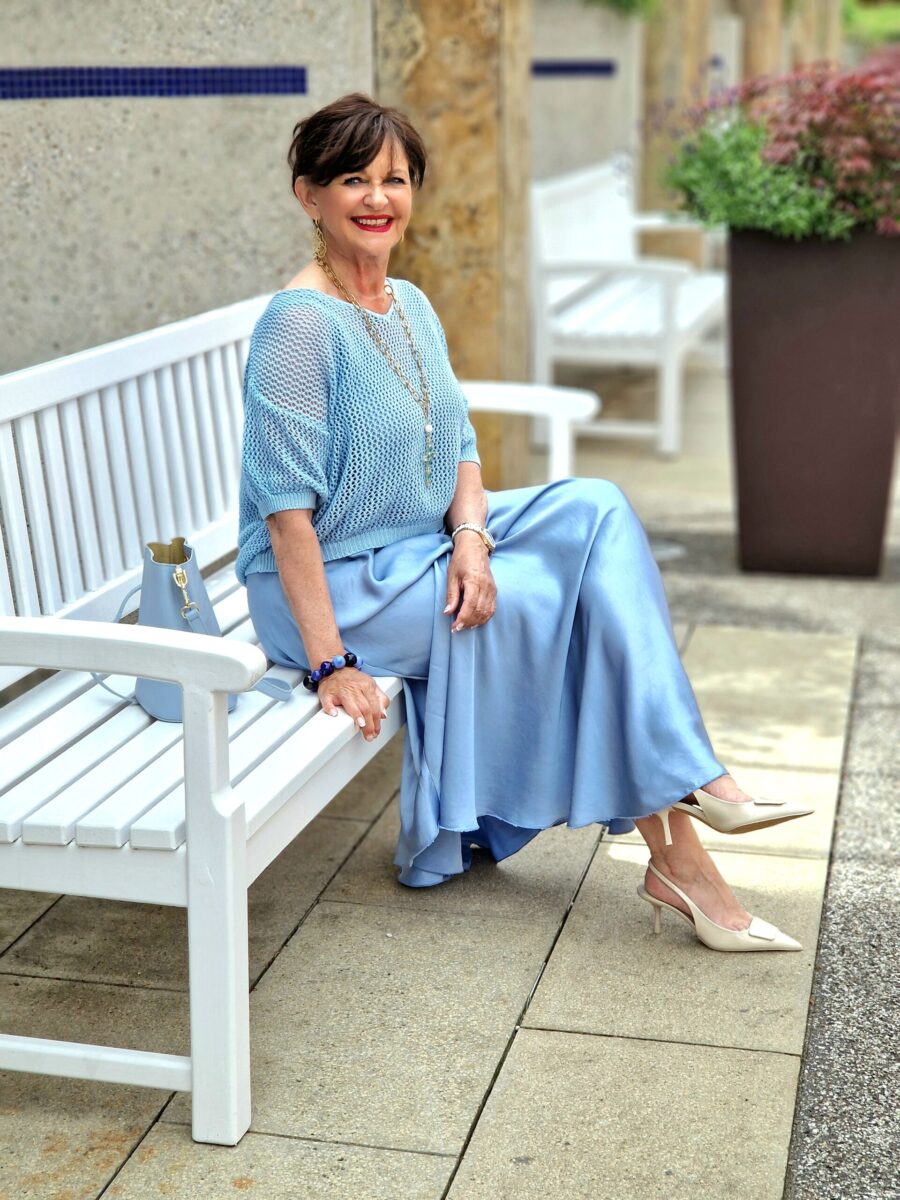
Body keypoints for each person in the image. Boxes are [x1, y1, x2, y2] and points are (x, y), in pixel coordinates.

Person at [237, 93, 811, 953]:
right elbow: (287, 519)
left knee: (596, 504)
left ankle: (689, 808)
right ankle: (689, 839)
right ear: (308, 195)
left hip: (420, 545)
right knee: (552, 609)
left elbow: (461, 446)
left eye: (395, 179)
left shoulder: (409, 304)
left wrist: (472, 541)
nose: (378, 197)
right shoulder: (296, 326)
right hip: (335, 582)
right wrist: (330, 662)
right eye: (353, 179)